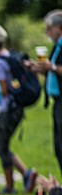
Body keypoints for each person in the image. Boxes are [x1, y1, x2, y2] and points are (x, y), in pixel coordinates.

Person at [0, 23, 38, 194]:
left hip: (7, 109)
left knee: (1, 146)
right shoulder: (11, 56)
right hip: (17, 109)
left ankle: (10, 186)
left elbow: (4, 89)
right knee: (1, 145)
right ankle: (27, 174)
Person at [30, 10, 62, 177]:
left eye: (49, 28)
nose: (47, 32)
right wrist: (37, 68)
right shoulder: (57, 46)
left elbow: (57, 69)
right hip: (57, 102)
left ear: (58, 27)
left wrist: (51, 67)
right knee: (58, 147)